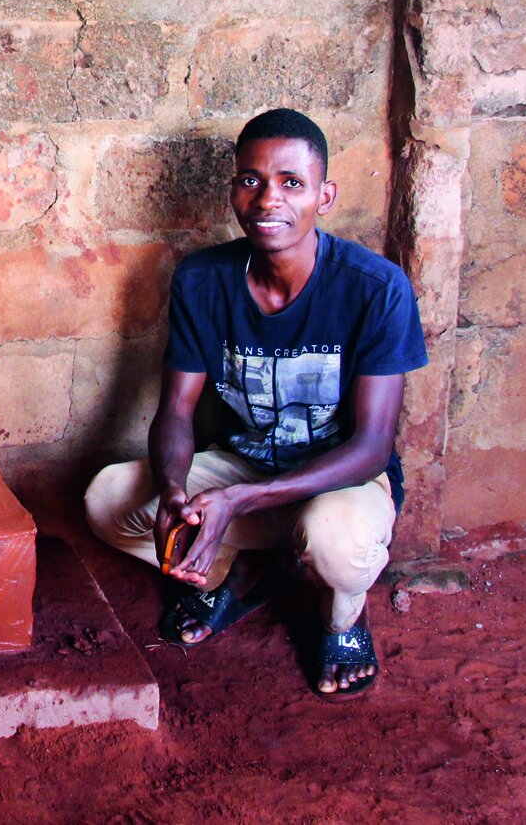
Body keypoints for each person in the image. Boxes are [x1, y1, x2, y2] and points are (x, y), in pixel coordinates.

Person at [84, 108, 426, 700]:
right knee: (108, 501)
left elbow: (371, 448)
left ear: (325, 195)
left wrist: (238, 500)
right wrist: (172, 490)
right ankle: (238, 575)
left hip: (337, 480)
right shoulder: (202, 279)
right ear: (234, 191)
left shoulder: (375, 288)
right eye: (252, 181)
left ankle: (341, 618)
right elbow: (176, 412)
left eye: (292, 183)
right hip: (244, 465)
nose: (269, 200)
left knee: (336, 542)